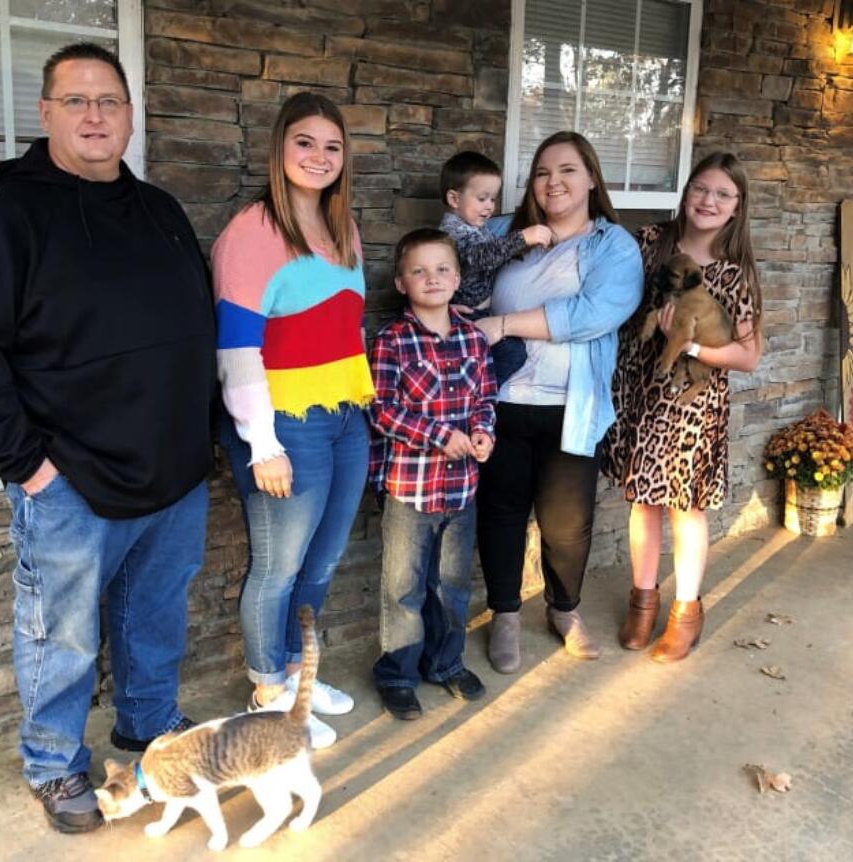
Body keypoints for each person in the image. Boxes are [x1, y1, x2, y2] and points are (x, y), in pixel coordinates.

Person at [0, 43, 216, 833]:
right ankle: (55, 764)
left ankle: (149, 728)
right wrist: (30, 466)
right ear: (46, 113)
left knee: (155, 618)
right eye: (77, 100)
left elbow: (194, 327)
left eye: (110, 101)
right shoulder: (14, 218)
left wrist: (204, 438)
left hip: (176, 473)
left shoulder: (158, 210)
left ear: (129, 115)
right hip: (71, 483)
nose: (96, 115)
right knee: (61, 637)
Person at [212, 92, 372, 749]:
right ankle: (270, 691)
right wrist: (263, 444)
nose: (319, 156)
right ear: (280, 149)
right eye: (305, 142)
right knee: (278, 569)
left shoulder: (344, 229)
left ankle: (298, 676)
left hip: (344, 417)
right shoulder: (253, 231)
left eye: (332, 146)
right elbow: (237, 348)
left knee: (323, 561)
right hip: (286, 428)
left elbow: (346, 331)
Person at [470, 131, 643, 673]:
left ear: (591, 177)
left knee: (568, 522)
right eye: (543, 172)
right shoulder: (507, 234)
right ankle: (504, 614)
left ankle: (564, 610)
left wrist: (502, 324)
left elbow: (594, 313)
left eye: (567, 170)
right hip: (498, 402)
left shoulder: (612, 246)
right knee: (500, 513)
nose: (554, 182)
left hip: (572, 406)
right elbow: (460, 263)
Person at [602, 151, 764, 663]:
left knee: (684, 505)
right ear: (686, 191)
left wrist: (691, 347)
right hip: (638, 388)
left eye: (723, 194)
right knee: (641, 497)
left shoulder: (738, 275)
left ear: (737, 207)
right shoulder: (650, 243)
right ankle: (642, 601)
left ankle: (686, 612)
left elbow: (748, 355)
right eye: (701, 189)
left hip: (691, 402)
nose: (709, 201)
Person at [368, 228, 497, 720]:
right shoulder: (391, 342)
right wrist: (440, 435)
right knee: (403, 588)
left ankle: (444, 664)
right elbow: (382, 411)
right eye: (418, 270)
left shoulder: (472, 338)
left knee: (452, 586)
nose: (432, 278)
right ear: (401, 283)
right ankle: (397, 674)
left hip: (462, 490)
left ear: (459, 277)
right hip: (409, 491)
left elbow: (486, 398)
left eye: (442, 268)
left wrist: (483, 433)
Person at [437, 151, 554, 385]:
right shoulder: (453, 232)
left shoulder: (476, 227)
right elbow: (481, 257)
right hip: (466, 314)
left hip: (480, 311)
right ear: (454, 199)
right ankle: (479, 395)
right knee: (513, 353)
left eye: (493, 199)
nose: (490, 207)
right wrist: (522, 238)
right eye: (482, 198)